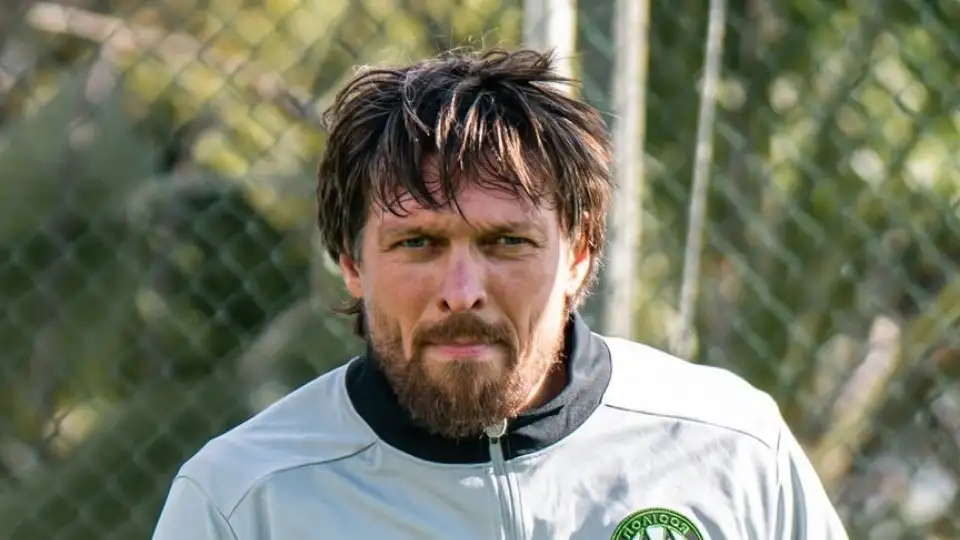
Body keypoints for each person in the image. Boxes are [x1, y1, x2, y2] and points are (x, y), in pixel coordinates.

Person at [151, 48, 849, 540]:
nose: (461, 293)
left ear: (578, 256)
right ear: (351, 263)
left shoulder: (730, 447)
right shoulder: (243, 500)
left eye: (507, 242)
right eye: (417, 243)